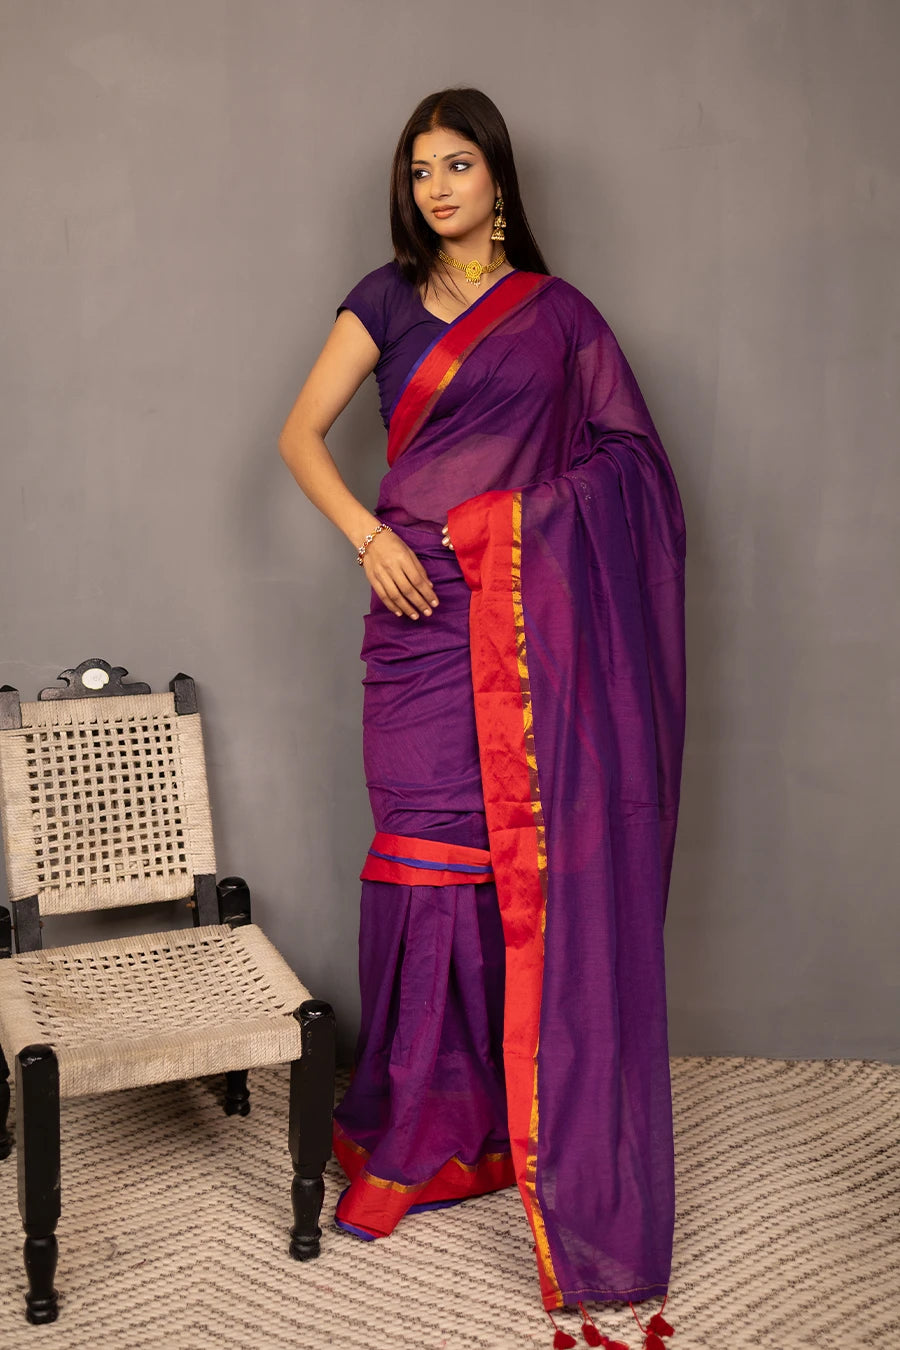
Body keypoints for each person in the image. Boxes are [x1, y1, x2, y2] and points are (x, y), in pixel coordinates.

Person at [278, 87, 686, 1346]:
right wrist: (367, 539)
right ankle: (419, 1125)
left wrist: (511, 530)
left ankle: (514, 1119)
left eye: (458, 165)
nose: (437, 187)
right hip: (413, 612)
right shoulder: (385, 299)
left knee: (512, 866)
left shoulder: (561, 319)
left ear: (499, 180)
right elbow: (299, 436)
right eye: (420, 170)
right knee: (422, 859)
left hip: (525, 619)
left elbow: (634, 468)